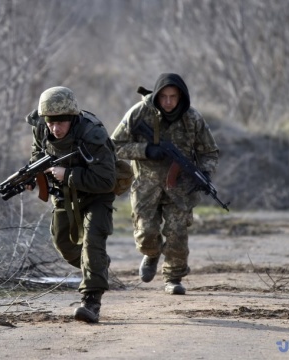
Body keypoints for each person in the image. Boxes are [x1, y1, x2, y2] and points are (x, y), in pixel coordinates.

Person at [110, 73, 220, 295]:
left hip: (180, 187)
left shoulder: (193, 119)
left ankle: (173, 277)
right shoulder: (139, 113)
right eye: (164, 97)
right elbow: (114, 145)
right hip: (145, 185)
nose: (169, 102)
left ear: (181, 97)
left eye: (173, 97)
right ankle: (151, 254)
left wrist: (205, 173)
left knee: (177, 232)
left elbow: (209, 151)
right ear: (157, 95)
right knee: (146, 234)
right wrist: (146, 150)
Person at [25, 86, 117, 322]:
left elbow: (107, 180)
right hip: (65, 194)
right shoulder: (40, 128)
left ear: (72, 119)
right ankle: (96, 265)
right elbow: (38, 154)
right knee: (63, 243)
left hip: (97, 195)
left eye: (61, 123)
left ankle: (91, 302)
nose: (55, 128)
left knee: (93, 242)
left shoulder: (92, 135)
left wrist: (68, 175)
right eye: (51, 122)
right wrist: (33, 177)